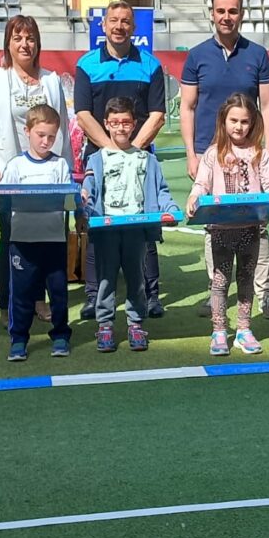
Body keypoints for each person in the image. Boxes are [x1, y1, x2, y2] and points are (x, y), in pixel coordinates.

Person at [180, 0, 269, 320]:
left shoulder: (257, 54)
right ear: (212, 13)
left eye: (233, 11)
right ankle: (217, 291)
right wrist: (192, 154)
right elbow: (187, 107)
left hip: (250, 153)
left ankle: (265, 292)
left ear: (241, 14)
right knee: (215, 225)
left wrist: (265, 151)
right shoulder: (197, 56)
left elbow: (267, 105)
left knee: (258, 225)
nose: (227, 17)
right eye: (221, 11)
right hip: (209, 154)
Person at [74, 0, 167, 320]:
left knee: (145, 224)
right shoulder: (87, 64)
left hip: (140, 157)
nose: (119, 26)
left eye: (125, 21)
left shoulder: (150, 65)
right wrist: (111, 151)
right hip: (100, 158)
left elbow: (157, 115)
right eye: (113, 20)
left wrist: (133, 150)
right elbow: (83, 114)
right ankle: (93, 297)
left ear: (133, 27)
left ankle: (151, 295)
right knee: (97, 226)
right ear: (103, 25)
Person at [0, 15, 70, 327]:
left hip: (47, 172)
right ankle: (8, 303)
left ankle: (39, 298)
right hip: (9, 173)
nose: (24, 44)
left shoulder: (51, 80)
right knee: (12, 236)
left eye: (30, 38)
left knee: (46, 235)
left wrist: (67, 170)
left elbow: (63, 125)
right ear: (8, 44)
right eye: (17, 38)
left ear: (38, 44)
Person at [81, 97, 180, 353]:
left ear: (134, 124)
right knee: (106, 278)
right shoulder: (96, 159)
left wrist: (170, 209)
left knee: (136, 278)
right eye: (114, 123)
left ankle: (136, 323)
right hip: (106, 230)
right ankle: (105, 324)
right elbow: (88, 192)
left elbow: (161, 191)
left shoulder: (147, 159)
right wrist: (84, 207)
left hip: (137, 229)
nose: (120, 128)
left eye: (125, 122)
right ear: (106, 124)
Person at [187, 93, 269, 356]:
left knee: (246, 280)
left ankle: (243, 330)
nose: (239, 126)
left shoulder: (260, 154)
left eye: (245, 121)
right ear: (223, 120)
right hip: (220, 230)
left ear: (253, 123)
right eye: (234, 120)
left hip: (250, 229)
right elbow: (201, 184)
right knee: (219, 282)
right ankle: (219, 331)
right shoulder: (213, 153)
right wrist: (194, 197)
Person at [0, 104, 73, 361]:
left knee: (58, 292)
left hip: (54, 240)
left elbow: (69, 199)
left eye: (51, 136)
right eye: (40, 135)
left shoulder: (60, 165)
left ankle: (60, 335)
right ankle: (18, 339)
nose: (46, 141)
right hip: (22, 241)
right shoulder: (16, 165)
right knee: (21, 293)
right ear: (27, 131)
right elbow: (2, 199)